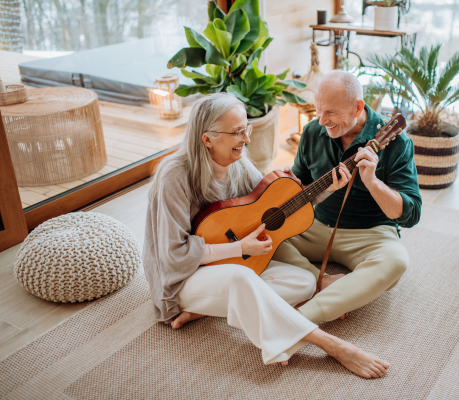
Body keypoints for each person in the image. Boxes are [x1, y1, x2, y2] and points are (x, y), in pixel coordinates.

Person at [142, 93, 390, 378]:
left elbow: (276, 204)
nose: (246, 139)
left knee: (304, 281)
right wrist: (241, 249)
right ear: (207, 139)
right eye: (237, 132)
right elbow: (172, 255)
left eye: (246, 128)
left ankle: (208, 309)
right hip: (181, 279)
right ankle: (331, 345)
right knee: (242, 278)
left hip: (225, 268)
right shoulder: (173, 175)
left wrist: (328, 188)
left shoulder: (237, 161)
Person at [274, 70, 422, 323]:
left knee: (396, 262)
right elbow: (301, 188)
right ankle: (323, 280)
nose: (322, 120)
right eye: (319, 110)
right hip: (316, 226)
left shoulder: (398, 143)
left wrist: (372, 182)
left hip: (370, 233)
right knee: (264, 236)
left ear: (357, 107)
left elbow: (411, 215)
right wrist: (288, 184)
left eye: (331, 112)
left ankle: (298, 320)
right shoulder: (311, 132)